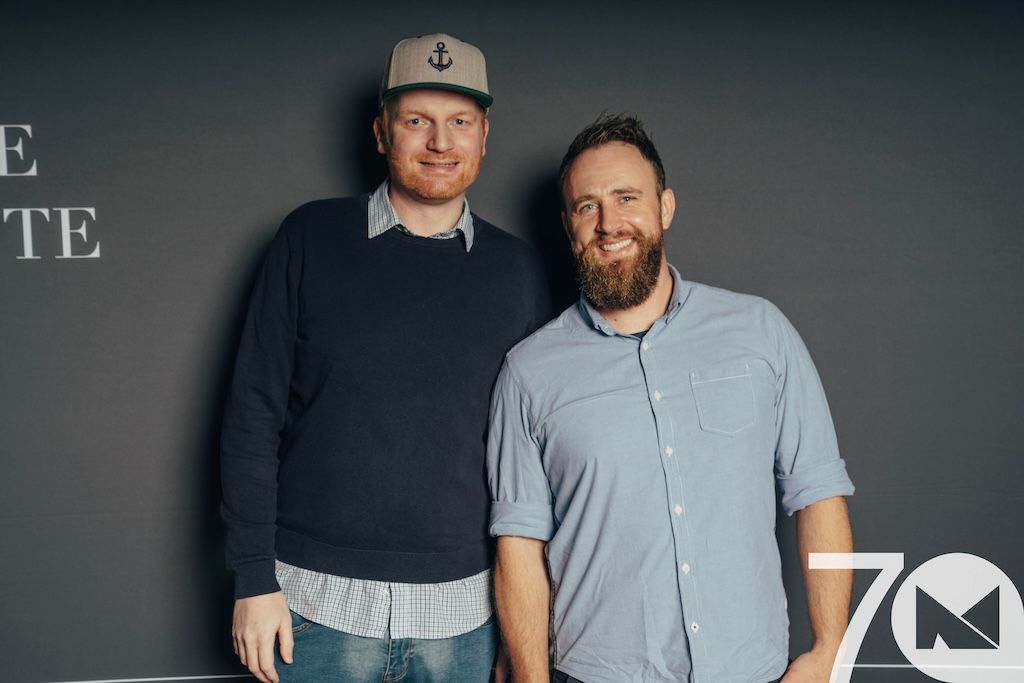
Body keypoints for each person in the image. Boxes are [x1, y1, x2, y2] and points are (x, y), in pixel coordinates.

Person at [220, 33, 550, 683]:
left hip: (466, 618)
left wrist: (524, 628)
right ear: (381, 132)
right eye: (417, 121)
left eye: (460, 122)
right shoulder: (310, 237)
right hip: (312, 610)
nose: (440, 142)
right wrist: (252, 577)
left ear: (484, 136)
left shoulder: (518, 271)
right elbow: (253, 413)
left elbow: (534, 456)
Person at [487, 114, 855, 683]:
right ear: (568, 226)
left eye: (627, 198)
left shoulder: (761, 332)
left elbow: (819, 493)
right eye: (587, 206)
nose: (609, 223)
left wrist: (830, 650)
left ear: (665, 207)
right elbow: (518, 545)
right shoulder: (528, 372)